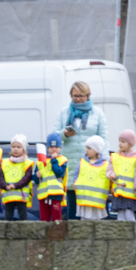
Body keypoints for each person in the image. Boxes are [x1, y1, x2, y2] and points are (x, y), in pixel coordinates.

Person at [53, 82, 109, 220]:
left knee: (93, 201)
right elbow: (54, 137)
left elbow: (104, 138)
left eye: (80, 96)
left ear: (88, 96)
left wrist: (105, 162)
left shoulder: (97, 113)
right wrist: (64, 134)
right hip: (71, 163)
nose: (77, 99)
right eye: (74, 96)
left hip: (92, 164)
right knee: (72, 203)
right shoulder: (63, 112)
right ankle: (72, 236)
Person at [106, 129, 136, 221]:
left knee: (129, 215)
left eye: (123, 141)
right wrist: (110, 174)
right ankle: (122, 235)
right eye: (119, 141)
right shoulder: (115, 156)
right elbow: (109, 169)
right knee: (120, 216)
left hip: (130, 194)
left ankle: (132, 234)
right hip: (119, 193)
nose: (120, 144)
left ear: (131, 143)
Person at [74, 135, 109, 220]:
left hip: (97, 203)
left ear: (97, 150)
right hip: (84, 200)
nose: (86, 150)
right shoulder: (82, 162)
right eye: (86, 148)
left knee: (96, 224)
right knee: (84, 224)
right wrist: (75, 183)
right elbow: (76, 174)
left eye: (89, 148)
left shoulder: (105, 165)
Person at [0, 135, 34, 222]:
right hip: (8, 195)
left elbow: (26, 178)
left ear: (23, 149)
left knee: (23, 216)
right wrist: (5, 186)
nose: (15, 149)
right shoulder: (4, 163)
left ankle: (24, 235)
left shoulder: (27, 163)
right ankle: (6, 235)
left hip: (21, 196)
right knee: (8, 217)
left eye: (18, 147)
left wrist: (15, 186)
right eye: (13, 147)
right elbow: (0, 177)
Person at [35, 133, 67, 222]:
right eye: (51, 147)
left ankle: (56, 235)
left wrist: (54, 160)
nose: (54, 149)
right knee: (44, 219)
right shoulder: (40, 161)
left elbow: (59, 173)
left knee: (56, 220)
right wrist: (37, 176)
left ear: (60, 148)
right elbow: (35, 180)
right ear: (47, 148)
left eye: (56, 147)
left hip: (56, 195)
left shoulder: (62, 160)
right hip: (43, 195)